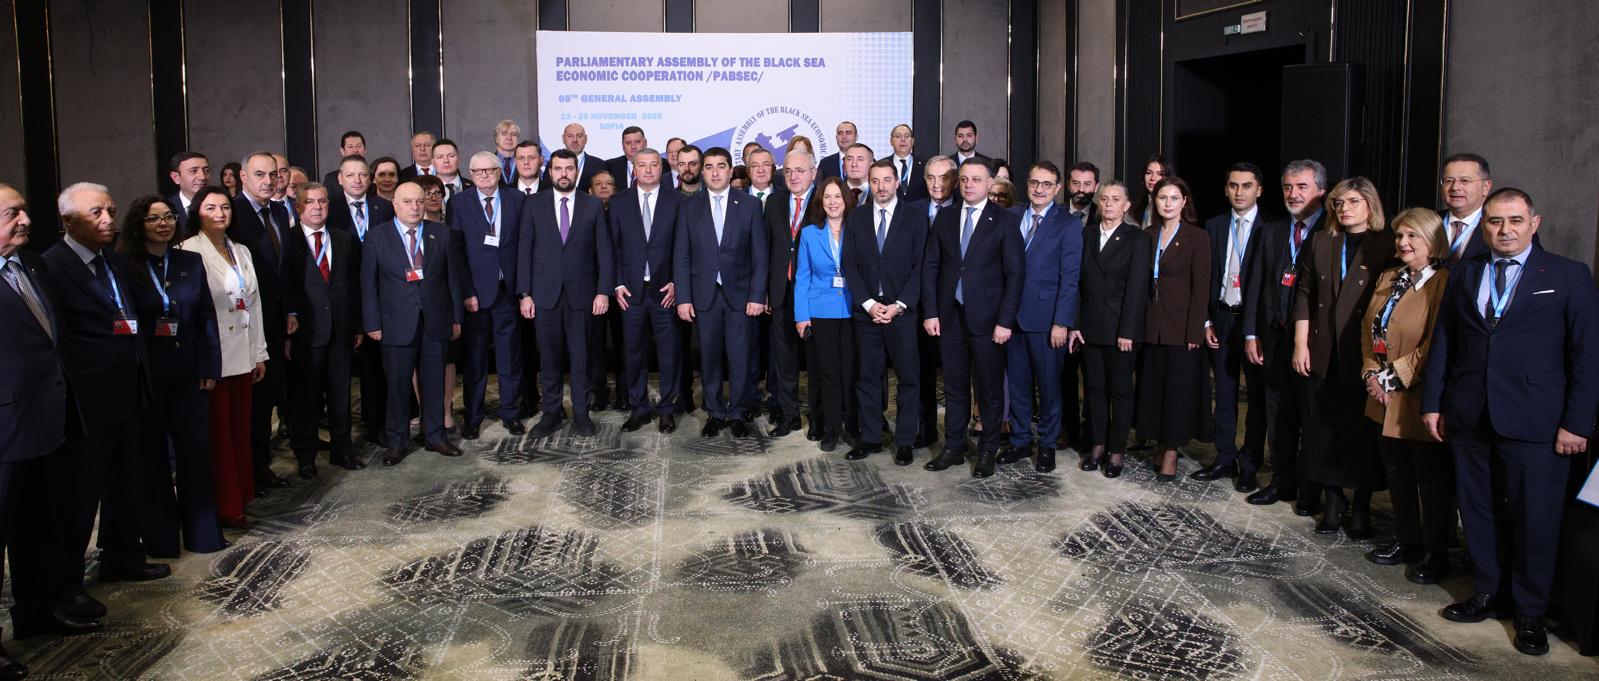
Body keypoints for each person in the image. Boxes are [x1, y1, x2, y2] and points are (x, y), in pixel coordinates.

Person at [1422, 188, 1599, 656]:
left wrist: (1578, 423)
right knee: (1478, 509)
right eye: (1495, 221)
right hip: (1470, 413)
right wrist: (1433, 402)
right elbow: (1445, 341)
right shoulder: (1465, 272)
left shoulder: (1567, 275)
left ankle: (1530, 611)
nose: (1505, 230)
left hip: (1538, 421)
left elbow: (1587, 356)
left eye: (1515, 220)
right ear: (1484, 226)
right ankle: (1487, 591)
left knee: (1535, 519)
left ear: (1534, 223)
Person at [41, 184, 169, 614]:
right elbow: (59, 339)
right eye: (96, 212)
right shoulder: (52, 267)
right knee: (80, 496)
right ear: (68, 221)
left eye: (111, 211)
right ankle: (68, 583)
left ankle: (122, 557)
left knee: (127, 482)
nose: (108, 220)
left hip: (130, 390)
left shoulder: (112, 260)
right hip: (88, 402)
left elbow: (125, 318)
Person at [2, 183, 92, 651]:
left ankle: (36, 613)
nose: (26, 220)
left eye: (23, 210)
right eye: (12, 213)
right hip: (6, 427)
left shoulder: (32, 263)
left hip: (49, 420)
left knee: (38, 527)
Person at [115, 195, 225, 556]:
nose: (163, 224)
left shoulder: (189, 261)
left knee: (196, 454)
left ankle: (203, 534)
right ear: (138, 223)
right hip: (147, 377)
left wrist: (210, 366)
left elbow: (206, 316)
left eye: (168, 217)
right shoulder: (124, 266)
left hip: (190, 373)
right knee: (153, 460)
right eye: (153, 218)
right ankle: (161, 541)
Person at [1292, 177, 1395, 538]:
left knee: (1360, 434)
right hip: (1322, 349)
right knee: (1322, 429)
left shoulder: (1387, 244)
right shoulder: (1322, 240)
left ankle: (1361, 507)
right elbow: (1305, 292)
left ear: (1370, 205)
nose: (1344, 209)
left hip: (1363, 353)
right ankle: (1333, 503)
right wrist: (1300, 344)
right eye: (1338, 203)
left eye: (1353, 202)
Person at [1358, 208, 1451, 584]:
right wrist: (1370, 373)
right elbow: (1368, 330)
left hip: (1418, 394)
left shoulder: (1443, 281)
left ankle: (1435, 552)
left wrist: (1391, 379)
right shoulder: (1388, 277)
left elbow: (1434, 343)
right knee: (1396, 472)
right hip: (1381, 395)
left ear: (1433, 240)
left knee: (1429, 479)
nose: (1403, 242)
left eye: (1413, 236)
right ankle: (1406, 540)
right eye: (1400, 236)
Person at [921, 158, 1024, 478]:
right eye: (964, 179)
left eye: (976, 179)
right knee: (954, 387)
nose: (969, 185)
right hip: (950, 316)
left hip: (990, 320)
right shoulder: (946, 216)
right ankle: (954, 446)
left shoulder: (1004, 220)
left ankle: (988, 450)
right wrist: (931, 312)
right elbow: (931, 266)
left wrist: (1005, 321)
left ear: (990, 182)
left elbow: (1015, 275)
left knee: (989, 389)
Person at [1244, 159, 1328, 513]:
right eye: (1288, 187)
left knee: (1311, 417)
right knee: (1277, 414)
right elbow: (1255, 283)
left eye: (1302, 187)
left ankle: (1310, 490)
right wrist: (1251, 332)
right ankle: (1282, 481)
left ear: (1321, 191)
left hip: (1313, 343)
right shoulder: (1272, 230)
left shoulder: (1331, 229)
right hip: (1274, 338)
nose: (1293, 194)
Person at [362, 180, 465, 465]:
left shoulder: (441, 234)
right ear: (395, 205)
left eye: (419, 201)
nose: (415, 207)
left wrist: (456, 318)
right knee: (397, 386)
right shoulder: (376, 237)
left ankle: (435, 436)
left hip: (436, 321)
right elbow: (368, 285)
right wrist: (372, 323)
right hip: (395, 324)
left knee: (434, 383)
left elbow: (453, 280)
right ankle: (397, 442)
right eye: (407, 201)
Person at [674, 146, 770, 438]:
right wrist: (683, 298)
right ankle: (715, 412)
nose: (715, 172)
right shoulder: (688, 207)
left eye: (721, 166)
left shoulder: (749, 205)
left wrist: (757, 296)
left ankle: (738, 412)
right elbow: (682, 256)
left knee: (740, 357)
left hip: (740, 296)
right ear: (702, 172)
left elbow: (760, 256)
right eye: (709, 167)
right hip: (704, 296)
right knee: (709, 357)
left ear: (731, 170)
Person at [517, 149, 613, 439]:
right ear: (550, 172)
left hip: (582, 296)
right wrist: (525, 293)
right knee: (549, 358)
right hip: (544, 295)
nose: (563, 174)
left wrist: (603, 292)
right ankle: (551, 413)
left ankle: (581, 414)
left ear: (576, 172)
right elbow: (524, 251)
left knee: (581, 358)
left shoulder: (592, 204)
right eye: (558, 168)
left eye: (569, 168)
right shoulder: (533, 204)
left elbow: (605, 253)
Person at [1194, 163, 1271, 492]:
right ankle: (1224, 458)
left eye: (1246, 186)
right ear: (1226, 189)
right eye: (1233, 185)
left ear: (1259, 190)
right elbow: (1204, 276)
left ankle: (1249, 464)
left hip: (1253, 323)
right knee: (1224, 395)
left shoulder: (1270, 229)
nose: (1239, 192)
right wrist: (1206, 320)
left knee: (1255, 398)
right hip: (1222, 318)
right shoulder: (1213, 225)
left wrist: (1256, 330)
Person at [842, 162, 925, 463]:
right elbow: (850, 264)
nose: (881, 187)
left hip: (901, 313)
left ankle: (905, 441)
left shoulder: (915, 217)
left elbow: (920, 267)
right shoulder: (857, 217)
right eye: (875, 181)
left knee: (908, 379)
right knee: (867, 377)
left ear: (897, 182)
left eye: (887, 180)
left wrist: (899, 305)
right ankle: (870, 438)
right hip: (867, 313)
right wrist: (867, 303)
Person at [1002, 162, 1081, 474]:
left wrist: (1062, 322)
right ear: (1027, 183)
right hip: (1012, 317)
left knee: (1049, 387)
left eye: (1047, 184)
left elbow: (1070, 278)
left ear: (1057, 188)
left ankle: (1047, 444)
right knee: (1018, 384)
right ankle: (1020, 440)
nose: (1039, 189)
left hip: (1047, 321)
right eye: (1035, 182)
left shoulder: (1068, 223)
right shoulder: (1011, 216)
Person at [1134, 177, 1212, 482]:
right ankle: (1158, 441)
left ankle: (1171, 451)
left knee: (1177, 392)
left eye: (1173, 198)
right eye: (1162, 197)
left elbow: (1201, 288)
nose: (1167, 203)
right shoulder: (1148, 235)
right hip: (1151, 324)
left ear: (1184, 202)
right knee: (1154, 388)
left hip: (1181, 327)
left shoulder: (1197, 237)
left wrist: (1195, 331)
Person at [283, 183, 363, 478]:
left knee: (341, 395)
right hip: (306, 332)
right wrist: (288, 327)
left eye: (322, 201)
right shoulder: (288, 241)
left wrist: (358, 325)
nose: (317, 207)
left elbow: (353, 285)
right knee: (306, 398)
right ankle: (306, 456)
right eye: (310, 202)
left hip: (341, 330)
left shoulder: (344, 239)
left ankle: (343, 450)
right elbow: (286, 285)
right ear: (298, 207)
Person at [1071, 181, 1150, 477]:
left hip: (1121, 330)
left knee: (1120, 391)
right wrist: (1075, 324)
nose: (1108, 204)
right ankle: (1098, 444)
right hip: (1090, 326)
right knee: (1094, 389)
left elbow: (1137, 289)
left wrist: (1127, 330)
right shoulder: (1087, 234)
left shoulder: (1137, 238)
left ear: (1126, 206)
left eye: (1115, 199)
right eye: (1104, 199)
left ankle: (1117, 449)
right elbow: (1077, 283)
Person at [227, 152, 293, 493]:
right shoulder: (232, 213)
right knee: (249, 403)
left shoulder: (279, 212)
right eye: (260, 174)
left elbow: (285, 269)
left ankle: (261, 464)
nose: (268, 181)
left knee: (267, 398)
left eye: (273, 174)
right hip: (245, 323)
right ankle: (247, 471)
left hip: (277, 322)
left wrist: (291, 311)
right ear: (243, 176)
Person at [451, 152, 527, 439]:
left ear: (499, 172)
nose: (484, 175)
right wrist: (467, 292)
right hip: (476, 297)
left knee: (510, 357)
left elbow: (524, 246)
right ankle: (473, 416)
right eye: (478, 171)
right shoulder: (459, 202)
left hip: (508, 292)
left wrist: (523, 290)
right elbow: (457, 252)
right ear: (470, 174)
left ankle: (510, 413)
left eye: (489, 170)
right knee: (475, 360)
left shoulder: (516, 199)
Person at [612, 147, 684, 434]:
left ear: (661, 168)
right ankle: (639, 408)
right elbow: (613, 247)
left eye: (654, 164)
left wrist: (677, 282)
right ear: (634, 168)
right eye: (642, 165)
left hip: (665, 291)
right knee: (633, 353)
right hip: (631, 293)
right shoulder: (619, 202)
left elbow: (683, 247)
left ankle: (667, 410)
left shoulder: (677, 201)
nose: (649, 169)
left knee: (669, 353)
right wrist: (617, 283)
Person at [794, 177, 856, 452]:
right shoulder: (809, 233)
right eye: (827, 197)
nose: (832, 202)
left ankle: (852, 426)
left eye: (837, 197)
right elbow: (802, 276)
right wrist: (801, 316)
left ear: (846, 200)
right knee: (828, 374)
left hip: (854, 309)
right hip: (821, 310)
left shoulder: (858, 228)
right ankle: (831, 429)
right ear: (821, 202)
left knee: (851, 372)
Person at [763, 148, 817, 439]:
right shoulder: (774, 201)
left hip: (815, 295)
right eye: (788, 171)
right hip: (781, 293)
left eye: (800, 171)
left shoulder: (825, 199)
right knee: (784, 360)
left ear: (813, 173)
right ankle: (790, 415)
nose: (793, 176)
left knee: (818, 361)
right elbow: (766, 249)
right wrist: (766, 291)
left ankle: (819, 418)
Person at [911, 156, 958, 447]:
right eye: (931, 177)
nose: (937, 184)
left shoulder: (962, 211)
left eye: (944, 178)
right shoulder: (912, 210)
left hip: (954, 306)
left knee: (955, 376)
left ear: (955, 181)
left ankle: (956, 436)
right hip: (917, 305)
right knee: (921, 372)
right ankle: (925, 429)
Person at [328, 155, 396, 242]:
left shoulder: (386, 207)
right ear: (340, 179)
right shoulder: (330, 207)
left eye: (363, 175)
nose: (357, 180)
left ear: (369, 178)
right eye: (350, 175)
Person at [167, 151, 210, 234]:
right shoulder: (166, 208)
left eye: (206, 171)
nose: (202, 177)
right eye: (193, 171)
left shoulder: (221, 206)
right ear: (176, 177)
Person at [884, 124, 928, 202]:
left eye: (907, 136)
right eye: (898, 136)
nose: (903, 139)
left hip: (918, 209)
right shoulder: (882, 165)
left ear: (912, 141)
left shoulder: (925, 165)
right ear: (891, 141)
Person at [558, 123, 606, 192]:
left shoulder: (599, 165)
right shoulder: (553, 164)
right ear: (563, 139)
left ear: (586, 139)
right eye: (570, 136)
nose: (575, 140)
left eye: (579, 136)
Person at [1131, 154, 1172, 227]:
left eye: (1160, 174)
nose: (1153, 178)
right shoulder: (1139, 205)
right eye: (1149, 173)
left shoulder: (1170, 206)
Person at [606, 125, 647, 191]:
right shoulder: (610, 166)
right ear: (622, 145)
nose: (633, 146)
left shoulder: (662, 164)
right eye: (628, 143)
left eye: (637, 142)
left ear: (645, 143)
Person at [431, 138, 465, 203]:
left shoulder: (473, 186)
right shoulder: (423, 189)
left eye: (451, 156)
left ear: (458, 159)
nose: (446, 161)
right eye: (440, 157)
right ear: (432, 162)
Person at [493, 119, 522, 186]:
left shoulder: (525, 162)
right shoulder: (488, 162)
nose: (509, 138)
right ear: (496, 138)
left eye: (513, 134)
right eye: (504, 134)